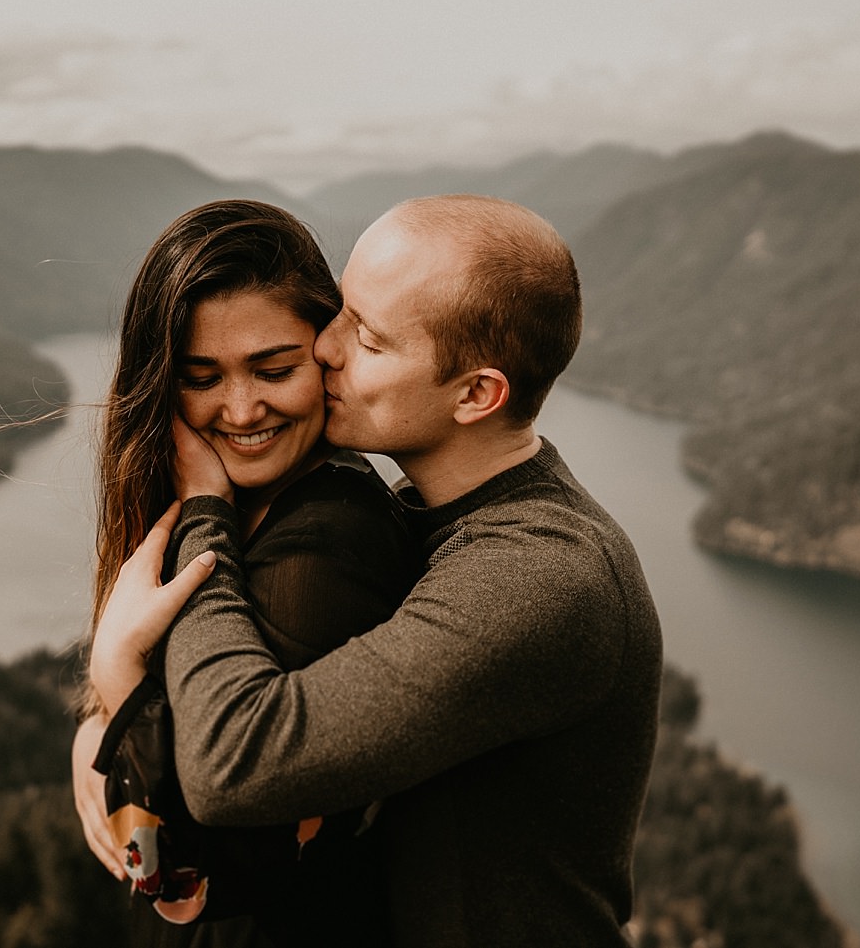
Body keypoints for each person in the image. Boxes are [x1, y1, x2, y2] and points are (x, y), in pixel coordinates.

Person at [80, 194, 665, 948]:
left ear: (477, 394)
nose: (325, 347)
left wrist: (202, 512)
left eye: (370, 337)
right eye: (342, 312)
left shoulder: (542, 577)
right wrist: (102, 716)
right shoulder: (428, 513)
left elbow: (239, 760)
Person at [71, 199, 417, 947]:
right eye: (202, 376)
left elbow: (200, 869)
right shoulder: (238, 505)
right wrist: (98, 723)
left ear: (327, 353)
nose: (240, 407)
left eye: (274, 368)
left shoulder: (332, 542)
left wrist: (118, 677)